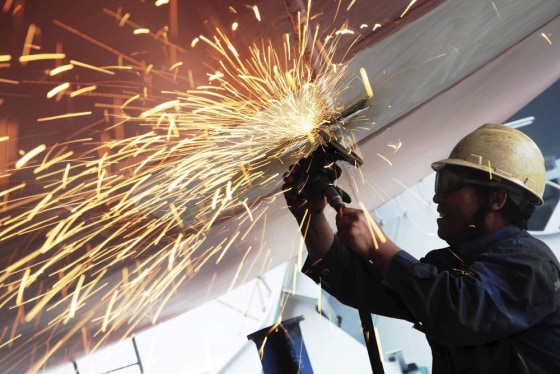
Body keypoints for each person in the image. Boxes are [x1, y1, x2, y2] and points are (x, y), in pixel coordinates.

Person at [282, 124, 560, 373]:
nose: (437, 196)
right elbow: (359, 287)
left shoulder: (531, 264)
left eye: (450, 184)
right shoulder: (451, 267)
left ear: (496, 198)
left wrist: (379, 246)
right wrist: (311, 216)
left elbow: (458, 312)